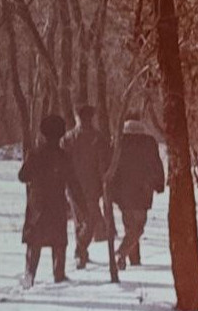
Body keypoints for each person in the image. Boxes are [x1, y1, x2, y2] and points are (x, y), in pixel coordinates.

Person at [19, 114, 82, 287]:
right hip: (57, 203)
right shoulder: (64, 156)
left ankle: (30, 274)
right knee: (58, 240)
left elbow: (22, 176)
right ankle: (59, 274)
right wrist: (80, 204)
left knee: (34, 241)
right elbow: (73, 182)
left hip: (37, 202)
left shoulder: (35, 153)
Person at [108, 115, 164, 269]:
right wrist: (159, 184)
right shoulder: (149, 142)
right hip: (143, 191)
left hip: (123, 192)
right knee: (138, 226)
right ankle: (122, 253)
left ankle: (133, 259)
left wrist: (111, 189)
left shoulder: (119, 141)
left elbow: (112, 166)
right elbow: (156, 164)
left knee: (129, 225)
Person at [61, 105, 110, 269]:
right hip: (88, 187)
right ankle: (80, 251)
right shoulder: (95, 138)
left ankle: (81, 252)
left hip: (78, 187)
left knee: (82, 220)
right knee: (87, 221)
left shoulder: (71, 138)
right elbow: (103, 164)